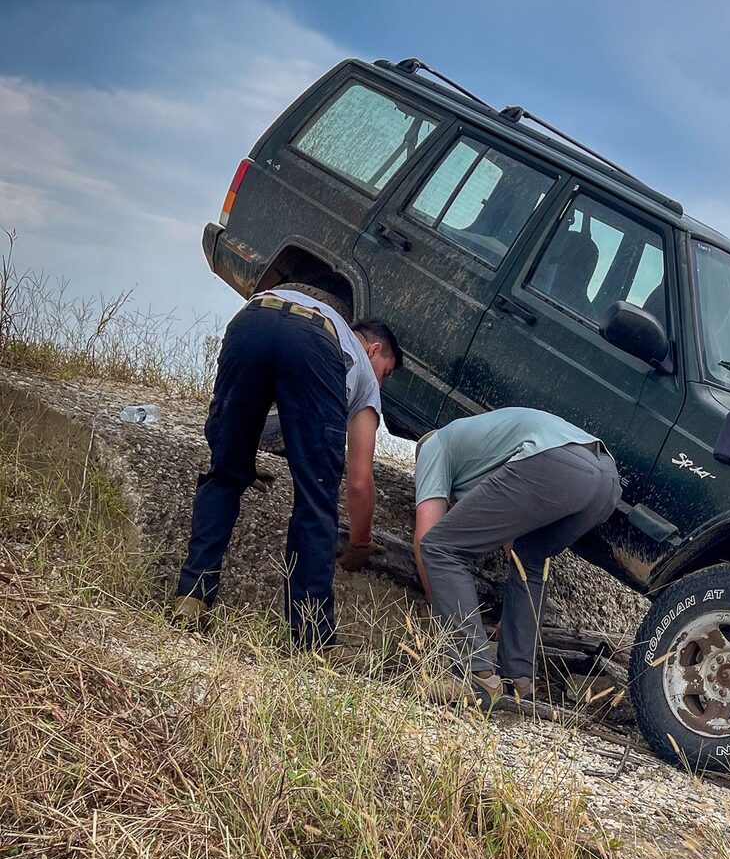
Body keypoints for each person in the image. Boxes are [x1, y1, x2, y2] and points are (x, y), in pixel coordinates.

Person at [174, 288, 398, 651]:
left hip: (252, 318)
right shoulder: (364, 377)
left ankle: (191, 599)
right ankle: (312, 637)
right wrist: (359, 542)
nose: (380, 381)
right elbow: (358, 480)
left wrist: (245, 462)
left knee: (225, 471)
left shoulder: (328, 318)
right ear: (374, 350)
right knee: (315, 500)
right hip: (314, 342)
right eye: (385, 372)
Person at [413, 407, 622, 708]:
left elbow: (427, 540)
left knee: (441, 547)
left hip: (554, 463)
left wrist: (445, 611)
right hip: (605, 480)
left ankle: (473, 676)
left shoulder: (434, 445)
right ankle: (518, 680)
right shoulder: (478, 452)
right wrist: (512, 622)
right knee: (530, 561)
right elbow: (513, 543)